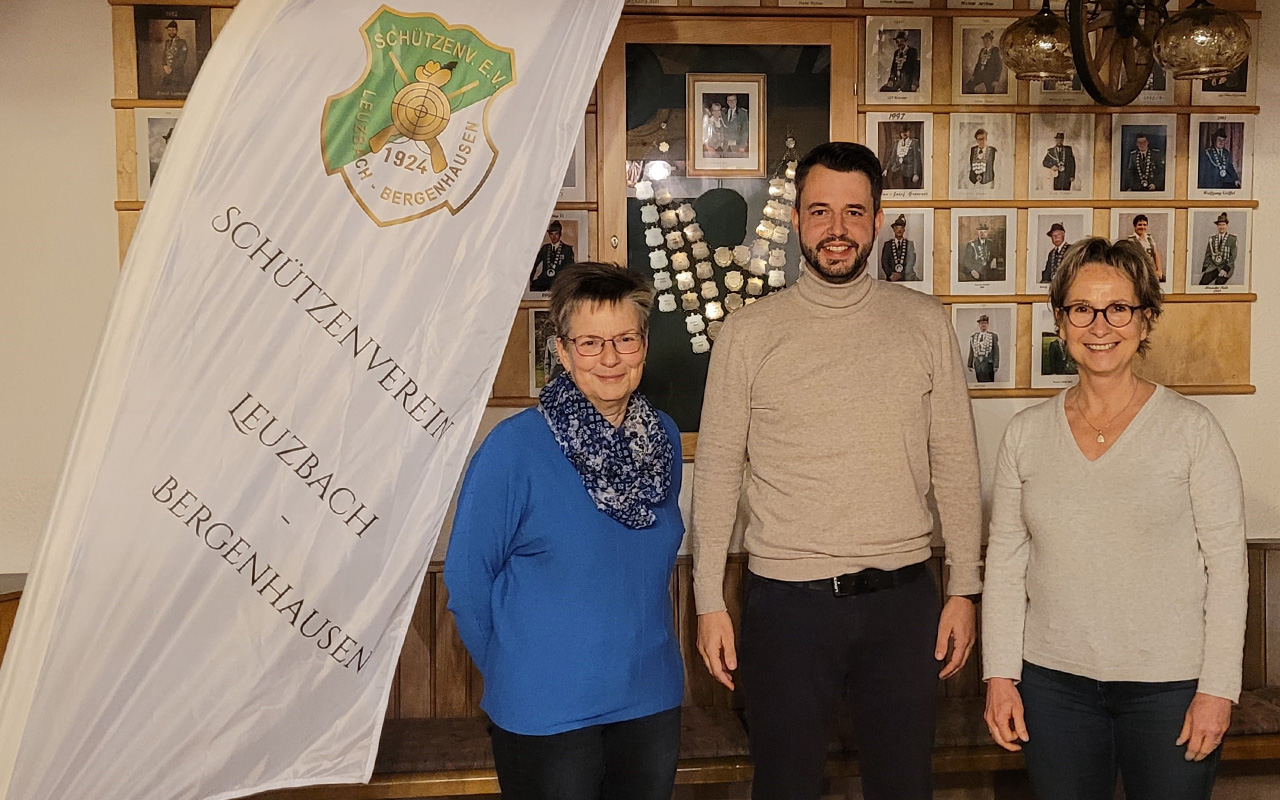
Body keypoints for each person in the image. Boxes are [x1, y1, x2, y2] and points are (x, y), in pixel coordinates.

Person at [693, 141, 982, 800]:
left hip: (904, 604)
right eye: (820, 212)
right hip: (786, 605)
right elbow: (715, 472)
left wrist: (964, 585)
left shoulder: (925, 323)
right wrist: (709, 598)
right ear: (796, 220)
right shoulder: (748, 334)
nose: (837, 230)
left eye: (854, 213)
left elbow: (958, 461)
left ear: (878, 221)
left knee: (905, 787)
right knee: (785, 786)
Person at [982, 236, 1247, 800]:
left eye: (1119, 308)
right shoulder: (1026, 435)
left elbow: (1228, 570)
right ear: (1061, 320)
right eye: (1082, 308)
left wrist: (1218, 689)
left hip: (1171, 689)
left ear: (1145, 321)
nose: (1099, 325)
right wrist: (999, 676)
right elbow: (1005, 564)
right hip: (1054, 688)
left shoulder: (1192, 430)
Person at [445, 262, 684, 800]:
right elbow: (466, 582)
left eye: (625, 339)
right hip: (545, 714)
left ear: (645, 345)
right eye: (590, 342)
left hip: (649, 702)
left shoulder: (663, 438)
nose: (609, 358)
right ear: (562, 349)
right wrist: (518, 670)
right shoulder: (514, 449)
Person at [529, 219, 574, 293]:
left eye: (556, 234)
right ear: (549, 235)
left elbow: (571, 268)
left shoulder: (567, 249)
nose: (554, 237)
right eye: (551, 234)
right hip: (544, 280)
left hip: (559, 281)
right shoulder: (545, 248)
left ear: (560, 234)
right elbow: (534, 264)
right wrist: (529, 280)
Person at [1199, 212, 1238, 286]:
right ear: (1217, 226)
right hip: (1213, 266)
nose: (1221, 227)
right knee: (1203, 283)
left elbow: (1233, 257)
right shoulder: (1212, 239)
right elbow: (1208, 254)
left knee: (1218, 284)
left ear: (1226, 226)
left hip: (1226, 266)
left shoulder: (1232, 239)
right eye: (1219, 225)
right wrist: (1206, 267)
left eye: (1223, 225)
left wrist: (1225, 269)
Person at [880, 214, 918, 282]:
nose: (899, 231)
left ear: (904, 230)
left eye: (901, 229)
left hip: (906, 277)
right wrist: (890, 275)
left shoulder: (909, 244)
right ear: (894, 230)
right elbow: (884, 262)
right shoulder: (887, 245)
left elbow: (911, 261)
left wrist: (901, 275)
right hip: (891, 278)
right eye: (897, 228)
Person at [883, 125, 922, 189]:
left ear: (909, 132)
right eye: (902, 132)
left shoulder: (914, 143)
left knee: (906, 187)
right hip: (897, 169)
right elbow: (892, 157)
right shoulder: (897, 143)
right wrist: (886, 169)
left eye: (906, 131)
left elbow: (916, 159)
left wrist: (915, 173)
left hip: (909, 171)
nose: (904, 134)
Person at [1128, 214, 1163, 281]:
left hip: (1149, 270)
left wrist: (1159, 270)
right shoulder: (1131, 240)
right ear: (1135, 226)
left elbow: (1155, 254)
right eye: (1140, 225)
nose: (1142, 227)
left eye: (1144, 225)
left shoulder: (1149, 238)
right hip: (1137, 271)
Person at [158, 19, 190, 94]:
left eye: (173, 30)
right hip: (167, 73)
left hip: (177, 73)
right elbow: (164, 55)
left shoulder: (182, 42)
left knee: (177, 92)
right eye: (169, 30)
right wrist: (165, 65)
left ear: (176, 30)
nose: (171, 32)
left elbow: (182, 59)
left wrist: (171, 68)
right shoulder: (167, 42)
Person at [966, 315, 999, 383]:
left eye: (985, 323)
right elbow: (971, 351)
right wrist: (969, 364)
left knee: (989, 382)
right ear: (979, 325)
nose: (983, 325)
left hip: (988, 363)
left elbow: (996, 351)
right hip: (978, 364)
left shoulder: (993, 336)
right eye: (982, 323)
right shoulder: (973, 337)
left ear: (987, 324)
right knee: (980, 382)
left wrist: (996, 365)